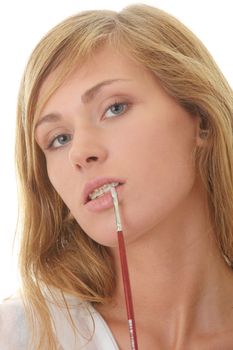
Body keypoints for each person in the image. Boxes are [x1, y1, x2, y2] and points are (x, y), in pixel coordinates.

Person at [1, 3, 233, 349]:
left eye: (114, 108)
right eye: (59, 139)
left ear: (201, 119)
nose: (80, 153)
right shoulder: (18, 335)